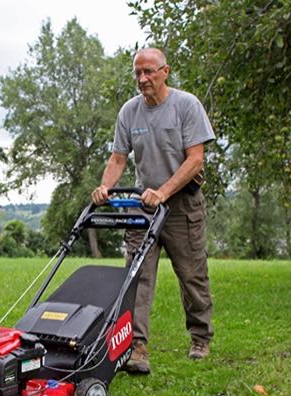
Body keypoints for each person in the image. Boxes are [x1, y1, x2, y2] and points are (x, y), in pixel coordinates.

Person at [91, 47, 215, 374]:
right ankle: (136, 347)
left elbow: (195, 159)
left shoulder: (186, 106)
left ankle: (200, 337)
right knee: (136, 277)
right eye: (137, 73)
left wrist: (164, 192)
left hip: (181, 203)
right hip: (143, 205)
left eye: (149, 72)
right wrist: (105, 187)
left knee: (191, 274)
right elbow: (118, 158)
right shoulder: (129, 113)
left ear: (165, 71)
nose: (143, 79)